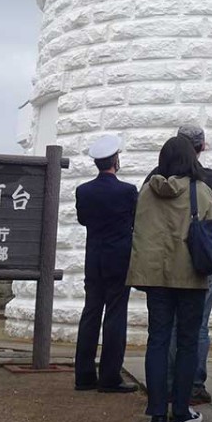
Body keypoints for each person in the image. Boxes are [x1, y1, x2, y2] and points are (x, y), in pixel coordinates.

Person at [127, 135, 212, 422]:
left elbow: (138, 231)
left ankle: (157, 414)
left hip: (155, 277)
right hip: (190, 276)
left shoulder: (145, 192)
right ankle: (180, 410)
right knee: (187, 343)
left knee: (157, 340)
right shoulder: (201, 191)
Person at [74, 134, 139, 393]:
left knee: (90, 312)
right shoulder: (127, 191)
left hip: (94, 258)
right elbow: (135, 220)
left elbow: (82, 221)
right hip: (119, 259)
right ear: (115, 160)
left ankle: (84, 375)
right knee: (114, 315)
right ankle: (110, 376)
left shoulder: (83, 191)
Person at [176, 125, 212, 404]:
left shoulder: (158, 177)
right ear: (203, 147)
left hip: (168, 263)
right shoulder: (211, 179)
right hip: (202, 263)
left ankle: (169, 382)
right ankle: (195, 384)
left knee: (170, 325)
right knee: (199, 325)